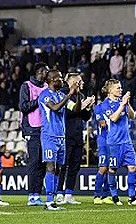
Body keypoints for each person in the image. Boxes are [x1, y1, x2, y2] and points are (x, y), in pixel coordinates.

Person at [38, 69, 80, 211]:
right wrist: (70, 94)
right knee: (51, 166)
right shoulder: (44, 95)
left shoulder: (60, 94)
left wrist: (77, 95)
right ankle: (49, 201)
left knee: (58, 169)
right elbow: (55, 108)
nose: (62, 80)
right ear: (52, 80)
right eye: (60, 78)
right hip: (49, 136)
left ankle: (53, 199)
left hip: (61, 137)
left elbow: (75, 109)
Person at [102, 79, 136, 206]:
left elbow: (133, 116)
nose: (120, 90)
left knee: (133, 167)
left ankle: (132, 197)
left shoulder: (123, 103)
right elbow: (114, 118)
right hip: (114, 142)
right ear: (110, 90)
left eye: (120, 88)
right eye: (117, 88)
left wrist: (127, 104)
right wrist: (122, 104)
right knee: (113, 169)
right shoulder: (106, 104)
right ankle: (115, 196)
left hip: (126, 141)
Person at [56, 73, 95, 205]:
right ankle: (59, 193)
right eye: (80, 81)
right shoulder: (62, 95)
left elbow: (85, 117)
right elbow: (68, 112)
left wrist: (89, 106)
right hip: (66, 136)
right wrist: (82, 105)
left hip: (78, 136)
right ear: (73, 82)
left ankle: (68, 194)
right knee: (63, 166)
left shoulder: (81, 96)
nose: (82, 83)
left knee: (75, 166)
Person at [19, 63, 49, 206]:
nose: (48, 75)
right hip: (32, 128)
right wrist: (39, 100)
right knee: (34, 162)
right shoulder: (26, 86)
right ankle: (32, 195)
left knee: (43, 163)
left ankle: (37, 193)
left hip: (45, 129)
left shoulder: (46, 88)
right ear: (40, 72)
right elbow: (23, 107)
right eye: (46, 72)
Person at [93, 87, 111, 204]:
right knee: (103, 168)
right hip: (104, 140)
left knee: (111, 169)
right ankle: (96, 195)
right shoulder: (99, 107)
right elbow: (103, 124)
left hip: (114, 141)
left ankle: (106, 195)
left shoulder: (118, 105)